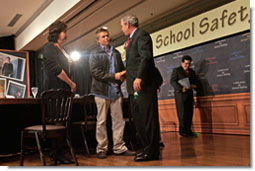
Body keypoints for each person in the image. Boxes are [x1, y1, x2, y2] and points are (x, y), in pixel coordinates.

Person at [89, 27, 135, 159]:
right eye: (103, 36)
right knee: (102, 122)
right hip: (101, 92)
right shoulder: (94, 53)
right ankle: (102, 149)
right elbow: (95, 72)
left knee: (119, 121)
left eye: (107, 35)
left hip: (115, 92)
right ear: (98, 40)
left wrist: (122, 77)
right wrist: (114, 76)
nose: (106, 38)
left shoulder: (116, 52)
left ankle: (119, 148)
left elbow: (121, 69)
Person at [120, 15, 161, 161]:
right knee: (139, 120)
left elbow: (146, 58)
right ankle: (146, 149)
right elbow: (135, 62)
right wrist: (128, 74)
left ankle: (152, 152)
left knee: (147, 120)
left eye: (122, 26)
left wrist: (139, 77)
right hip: (134, 87)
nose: (121, 29)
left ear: (128, 24)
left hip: (143, 86)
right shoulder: (131, 40)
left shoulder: (141, 35)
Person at [42, 21, 76, 164]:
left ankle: (59, 151)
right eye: (64, 31)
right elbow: (55, 68)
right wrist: (70, 82)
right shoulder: (50, 47)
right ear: (57, 32)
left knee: (62, 122)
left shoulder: (63, 49)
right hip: (54, 90)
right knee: (56, 122)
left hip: (63, 91)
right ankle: (56, 152)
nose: (66, 34)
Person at [170, 55, 198, 137]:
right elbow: (172, 81)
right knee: (182, 114)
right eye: (186, 63)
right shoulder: (176, 70)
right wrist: (181, 88)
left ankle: (188, 131)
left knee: (189, 113)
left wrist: (194, 85)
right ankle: (182, 131)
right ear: (182, 62)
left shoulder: (192, 72)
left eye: (189, 64)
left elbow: (196, 82)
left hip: (189, 95)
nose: (187, 65)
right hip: (180, 96)